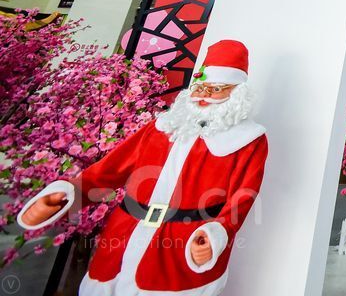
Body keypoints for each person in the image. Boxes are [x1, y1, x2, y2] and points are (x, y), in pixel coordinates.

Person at [18, 39, 268, 296]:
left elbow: (242, 196)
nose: (203, 95)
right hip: (123, 237)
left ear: (237, 95)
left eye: (215, 89)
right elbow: (109, 171)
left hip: (181, 248)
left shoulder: (248, 140)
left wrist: (218, 233)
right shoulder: (161, 127)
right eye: (200, 87)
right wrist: (66, 195)